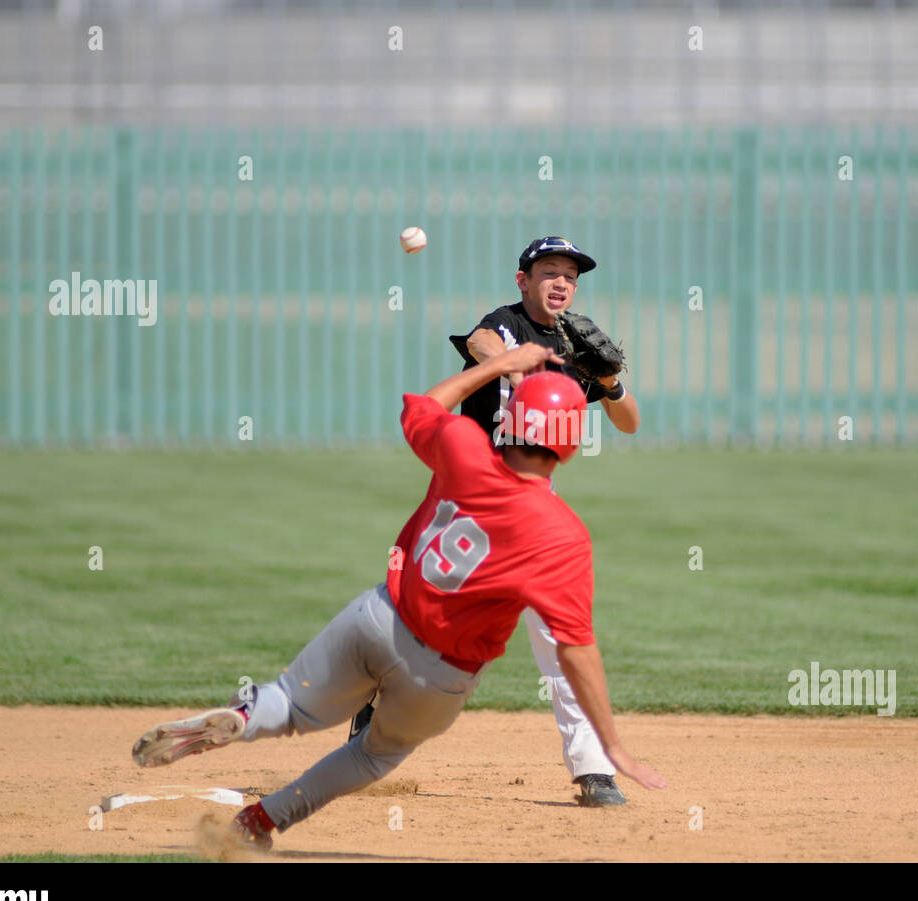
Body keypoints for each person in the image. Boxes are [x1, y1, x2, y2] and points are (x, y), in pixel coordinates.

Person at [131, 342, 665, 849]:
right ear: (572, 442)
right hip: (438, 678)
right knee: (372, 756)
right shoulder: (561, 533)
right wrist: (612, 745)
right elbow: (575, 648)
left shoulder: (463, 448)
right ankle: (262, 818)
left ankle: (244, 719)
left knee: (291, 703)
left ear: (511, 420)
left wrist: (496, 367)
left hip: (378, 619)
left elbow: (427, 405)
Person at [349, 236, 639, 808]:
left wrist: (606, 382)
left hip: (533, 509)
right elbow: (481, 342)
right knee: (426, 628)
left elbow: (628, 421)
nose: (561, 282)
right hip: (469, 497)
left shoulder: (578, 344)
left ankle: (592, 769)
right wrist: (520, 368)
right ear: (522, 280)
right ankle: (377, 701)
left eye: (570, 276)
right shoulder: (504, 326)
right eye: (549, 271)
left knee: (559, 634)